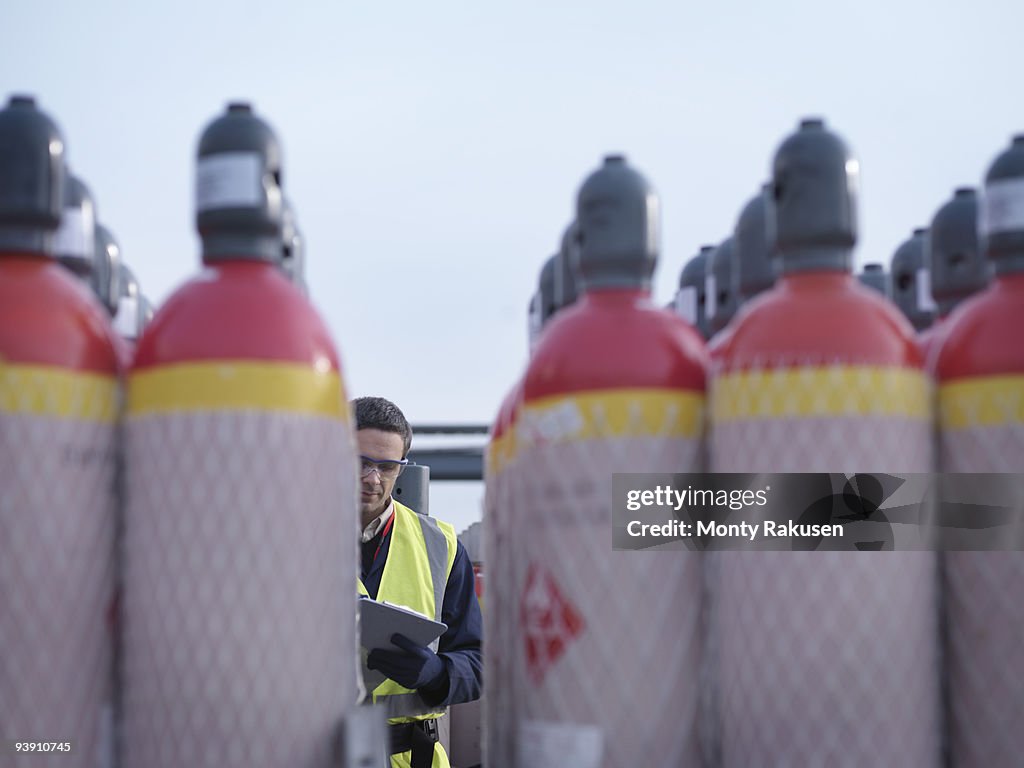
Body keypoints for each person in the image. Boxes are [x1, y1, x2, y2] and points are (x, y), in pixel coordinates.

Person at [353, 396, 483, 768]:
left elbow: (477, 660)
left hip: (413, 758)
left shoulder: (441, 545)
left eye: (387, 466)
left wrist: (438, 674)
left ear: (402, 468)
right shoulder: (286, 536)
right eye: (361, 462)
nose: (373, 479)